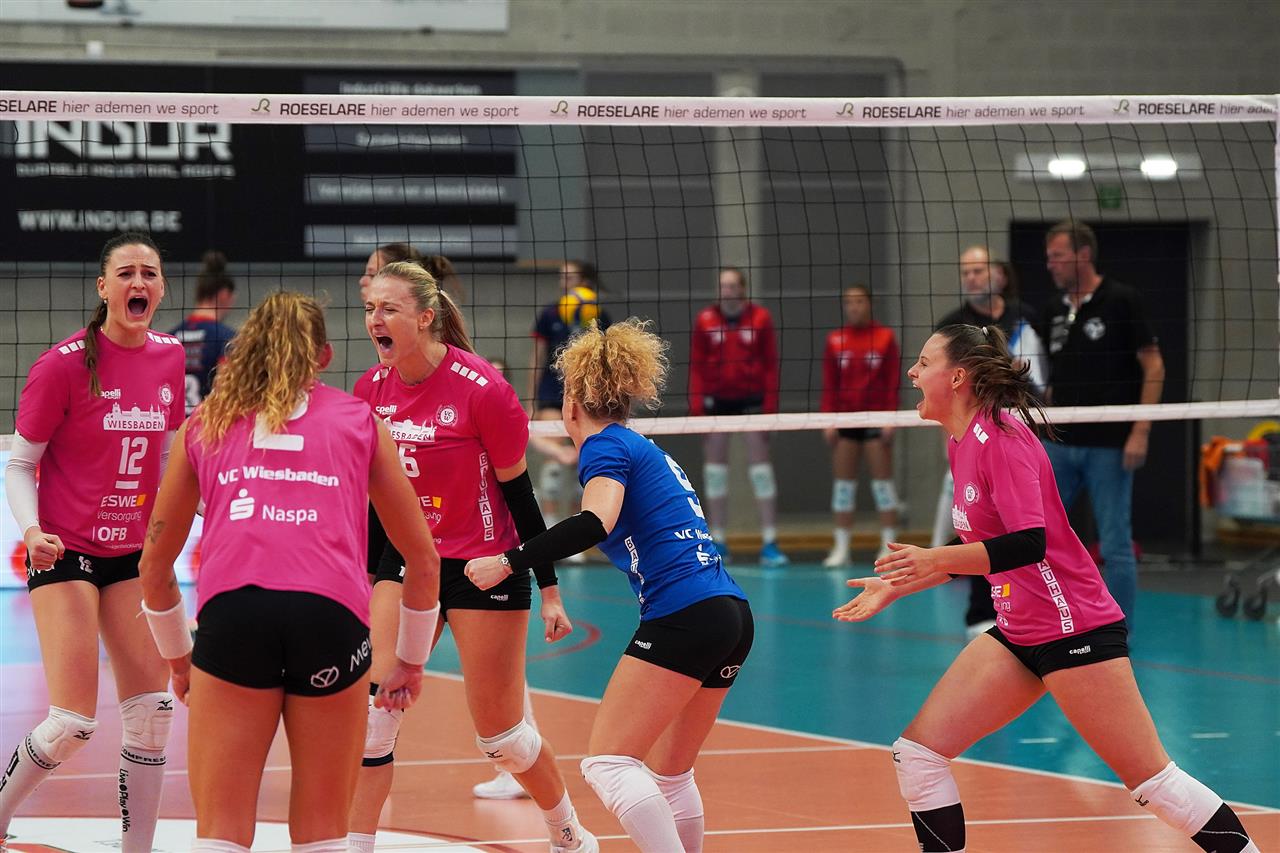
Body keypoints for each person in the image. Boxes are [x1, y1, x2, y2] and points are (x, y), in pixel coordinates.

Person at [833, 324, 1258, 853]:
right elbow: (983, 545)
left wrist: (933, 558)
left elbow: (1027, 544)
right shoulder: (961, 442)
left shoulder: (1003, 439)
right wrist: (900, 583)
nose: (912, 373)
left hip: (1074, 628)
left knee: (1154, 784)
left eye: (923, 362)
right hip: (1019, 630)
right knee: (918, 753)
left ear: (957, 377)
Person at [136, 291, 441, 853]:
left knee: (221, 831)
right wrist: (411, 662)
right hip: (330, 617)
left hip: (236, 615)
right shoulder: (361, 420)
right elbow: (423, 560)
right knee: (323, 831)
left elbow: (153, 568)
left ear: (246, 349)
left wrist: (181, 661)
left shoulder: (203, 424)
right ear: (323, 356)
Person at [465, 318, 754, 853]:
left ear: (572, 404)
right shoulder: (640, 445)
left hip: (687, 613)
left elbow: (595, 521)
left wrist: (508, 562)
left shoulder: (604, 448)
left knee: (608, 762)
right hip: (730, 613)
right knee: (671, 774)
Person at [352, 261, 595, 853]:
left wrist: (550, 589)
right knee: (373, 719)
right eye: (370, 309)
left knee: (503, 740)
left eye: (388, 309)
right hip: (409, 562)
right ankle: (354, 846)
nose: (375, 319)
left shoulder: (482, 388)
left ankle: (569, 833)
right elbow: (374, 502)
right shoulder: (370, 391)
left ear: (425, 317)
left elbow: (521, 497)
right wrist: (362, 579)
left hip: (484, 568)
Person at [1, 232, 186, 852]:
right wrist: (33, 531)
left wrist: (188, 509)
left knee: (153, 717)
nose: (139, 282)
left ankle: (138, 850)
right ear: (104, 287)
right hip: (67, 550)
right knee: (72, 723)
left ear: (161, 288)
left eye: (149, 273)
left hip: (133, 554)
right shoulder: (62, 365)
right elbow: (20, 465)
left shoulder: (170, 356)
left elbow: (168, 455)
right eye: (126, 273)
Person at [1040, 220, 1164, 626]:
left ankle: (1117, 633)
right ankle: (1046, 622)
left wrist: (1141, 430)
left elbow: (1154, 366)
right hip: (1058, 444)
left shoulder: (1122, 300)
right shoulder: (1053, 309)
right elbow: (1051, 374)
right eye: (1048, 257)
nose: (1050, 264)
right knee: (1037, 535)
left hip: (1109, 444)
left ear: (1084, 255)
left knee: (1115, 545)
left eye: (1058, 256)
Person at [932, 247, 1047, 638]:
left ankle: (1030, 608)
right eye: (965, 271)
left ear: (1000, 275)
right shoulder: (953, 326)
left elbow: (1041, 377)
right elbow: (945, 393)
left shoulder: (1025, 317)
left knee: (1024, 530)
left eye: (978, 270)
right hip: (975, 437)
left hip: (1020, 432)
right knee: (980, 525)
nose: (971, 278)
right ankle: (982, 611)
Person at [689, 266, 787, 566]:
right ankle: (718, 540)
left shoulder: (760, 318)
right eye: (723, 286)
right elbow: (696, 366)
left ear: (743, 288)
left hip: (752, 403)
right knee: (715, 474)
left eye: (733, 285)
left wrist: (770, 410)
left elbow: (770, 365)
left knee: (761, 472)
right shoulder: (705, 319)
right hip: (716, 404)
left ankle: (770, 541)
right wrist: (697, 410)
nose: (728, 291)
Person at [528, 260, 611, 538]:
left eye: (570, 277)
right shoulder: (550, 313)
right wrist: (531, 400)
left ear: (584, 281)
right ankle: (550, 527)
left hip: (588, 394)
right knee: (553, 461)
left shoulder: (598, 314)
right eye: (562, 277)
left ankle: (576, 535)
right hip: (552, 392)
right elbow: (537, 357)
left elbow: (606, 360)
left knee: (582, 463)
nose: (564, 282)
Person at [819, 285, 900, 566]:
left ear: (869, 303)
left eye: (859, 301)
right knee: (843, 487)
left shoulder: (885, 338)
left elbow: (892, 382)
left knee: (882, 486)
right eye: (849, 302)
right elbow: (829, 384)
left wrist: (890, 417)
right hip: (845, 419)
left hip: (876, 418)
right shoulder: (835, 340)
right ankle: (841, 547)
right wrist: (828, 419)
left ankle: (889, 545)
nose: (854, 307)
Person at [171, 250, 238, 415]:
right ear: (224, 295)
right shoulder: (227, 338)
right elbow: (228, 391)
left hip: (174, 427)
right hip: (208, 425)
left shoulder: (170, 338)